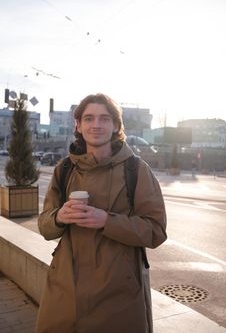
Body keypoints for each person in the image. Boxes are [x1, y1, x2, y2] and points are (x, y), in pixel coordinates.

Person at [35, 93, 167, 333]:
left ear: (116, 125)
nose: (96, 125)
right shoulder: (63, 169)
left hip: (119, 297)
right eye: (89, 118)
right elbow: (44, 226)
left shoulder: (136, 170)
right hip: (64, 294)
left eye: (105, 118)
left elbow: (156, 231)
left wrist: (107, 220)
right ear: (78, 125)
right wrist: (59, 217)